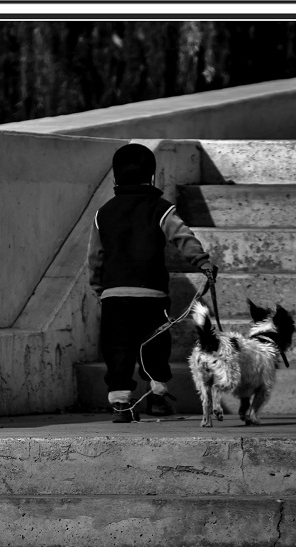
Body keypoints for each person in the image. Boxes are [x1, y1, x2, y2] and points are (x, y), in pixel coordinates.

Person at [87, 143, 217, 423]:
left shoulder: (103, 213)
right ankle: (157, 397)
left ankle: (121, 404)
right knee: (154, 346)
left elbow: (95, 257)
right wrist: (203, 264)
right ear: (154, 178)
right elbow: (184, 237)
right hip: (151, 294)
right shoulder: (162, 209)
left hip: (114, 296)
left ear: (114, 179)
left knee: (117, 349)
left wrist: (99, 288)